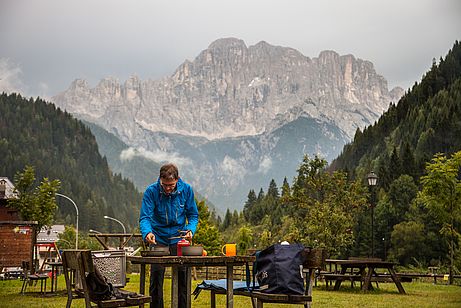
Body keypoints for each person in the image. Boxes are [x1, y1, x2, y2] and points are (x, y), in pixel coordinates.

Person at [139, 163, 199, 308]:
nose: (167, 188)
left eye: (171, 185)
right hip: (158, 239)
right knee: (156, 279)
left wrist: (190, 229)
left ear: (177, 180)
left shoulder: (187, 190)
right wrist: (147, 233)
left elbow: (193, 215)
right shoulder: (151, 191)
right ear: (160, 180)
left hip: (180, 240)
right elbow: (145, 217)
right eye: (164, 184)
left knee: (182, 279)